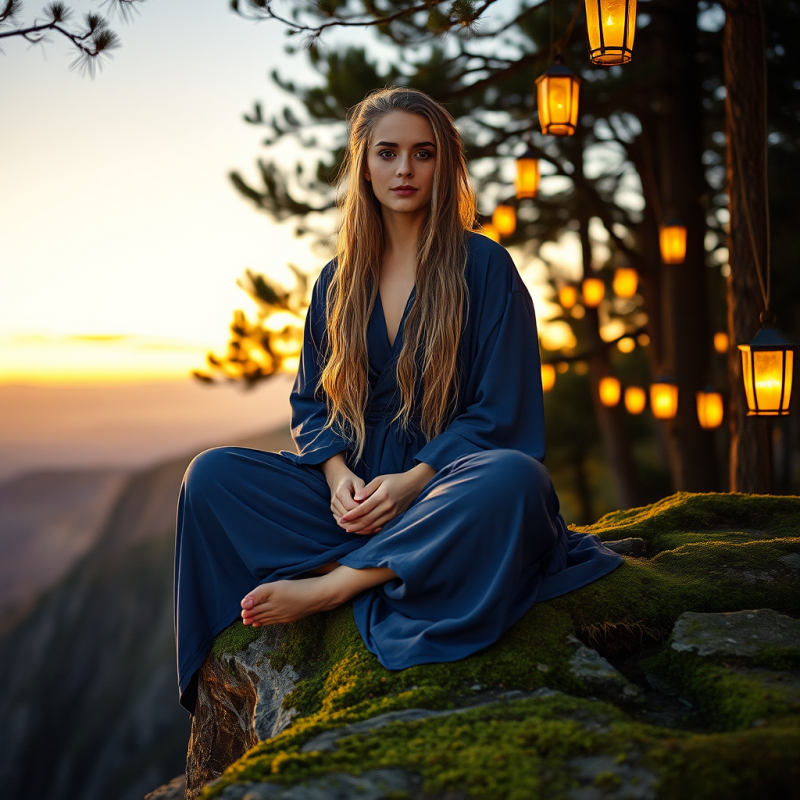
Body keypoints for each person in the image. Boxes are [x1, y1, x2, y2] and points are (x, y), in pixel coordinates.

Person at [173, 86, 622, 717]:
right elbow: (313, 405)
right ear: (364, 165)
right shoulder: (337, 279)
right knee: (212, 476)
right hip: (355, 499)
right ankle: (389, 554)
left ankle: (338, 585)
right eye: (387, 153)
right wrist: (336, 478)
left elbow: (503, 413)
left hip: (449, 488)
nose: (404, 170)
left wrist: (413, 482)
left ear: (446, 165)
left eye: (423, 153)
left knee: (515, 482)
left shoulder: (485, 266)